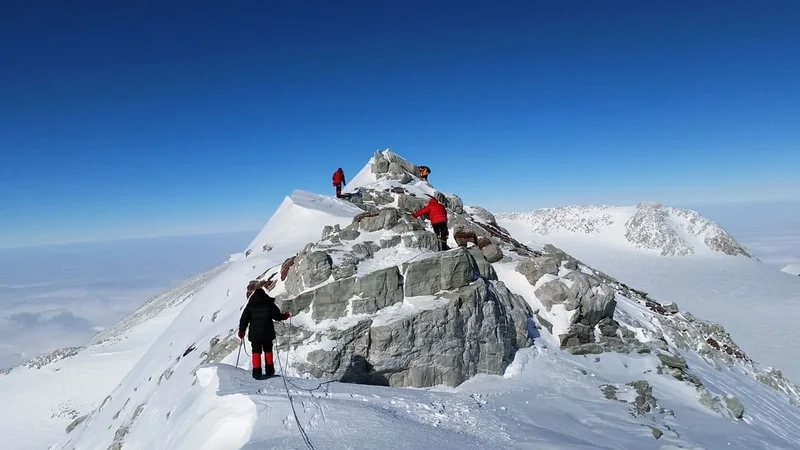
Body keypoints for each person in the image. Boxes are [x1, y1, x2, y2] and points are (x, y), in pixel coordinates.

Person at [238, 279, 290, 379]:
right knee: (268, 350)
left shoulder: (251, 305)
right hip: (267, 332)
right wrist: (286, 316)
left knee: (256, 351)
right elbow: (277, 316)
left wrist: (242, 331)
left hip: (255, 333)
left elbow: (244, 318)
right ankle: (269, 370)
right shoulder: (269, 303)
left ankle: (257, 372)